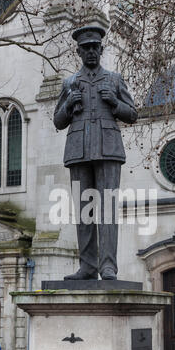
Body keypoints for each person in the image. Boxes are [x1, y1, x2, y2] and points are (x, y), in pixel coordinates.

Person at [54, 26, 138, 280]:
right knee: (84, 212)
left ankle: (108, 266)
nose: (91, 52)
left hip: (108, 149)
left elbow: (132, 114)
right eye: (86, 48)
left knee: (108, 210)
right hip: (78, 152)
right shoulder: (69, 83)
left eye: (95, 47)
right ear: (78, 51)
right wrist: (68, 104)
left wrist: (115, 102)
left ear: (101, 50)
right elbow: (58, 121)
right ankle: (88, 266)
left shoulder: (114, 79)